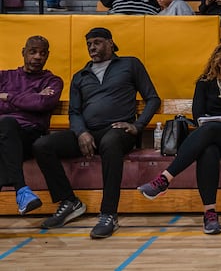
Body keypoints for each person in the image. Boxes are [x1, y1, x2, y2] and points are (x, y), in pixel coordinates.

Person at [34, 27, 161, 239]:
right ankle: (69, 201)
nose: (92, 47)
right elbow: (74, 112)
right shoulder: (80, 75)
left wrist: (137, 126)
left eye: (97, 42)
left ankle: (108, 213)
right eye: (89, 44)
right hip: (88, 132)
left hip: (118, 130)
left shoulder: (130, 64)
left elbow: (153, 98)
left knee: (110, 142)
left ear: (111, 43)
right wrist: (81, 132)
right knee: (42, 146)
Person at [137, 41, 221, 234]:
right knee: (208, 149)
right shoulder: (204, 83)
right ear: (219, 62)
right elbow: (198, 115)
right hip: (211, 137)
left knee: (211, 130)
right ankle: (210, 214)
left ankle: (164, 179)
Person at [0, 36, 63, 216]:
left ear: (47, 56)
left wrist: (7, 96)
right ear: (23, 52)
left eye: (42, 53)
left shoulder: (52, 81)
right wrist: (30, 98)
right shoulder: (5, 76)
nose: (37, 57)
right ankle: (22, 192)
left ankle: (22, 191)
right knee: (5, 128)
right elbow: (34, 102)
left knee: (7, 122)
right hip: (5, 135)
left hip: (30, 136)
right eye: (33, 52)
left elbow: (41, 105)